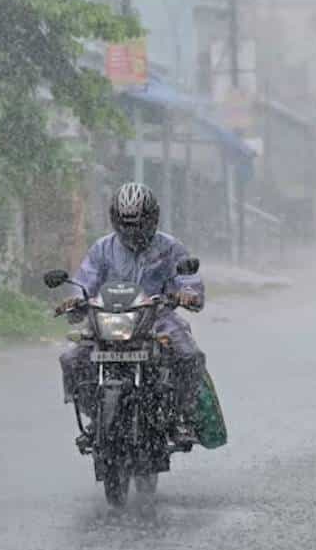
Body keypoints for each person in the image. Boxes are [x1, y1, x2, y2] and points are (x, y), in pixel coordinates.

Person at [58, 182, 206, 446]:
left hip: (158, 318)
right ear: (115, 220)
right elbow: (86, 281)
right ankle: (96, 414)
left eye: (138, 223)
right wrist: (74, 301)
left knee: (190, 355)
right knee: (71, 358)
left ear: (152, 218)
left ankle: (182, 415)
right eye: (126, 224)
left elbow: (189, 281)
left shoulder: (170, 248)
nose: (132, 230)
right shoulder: (102, 249)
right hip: (109, 320)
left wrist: (187, 294)